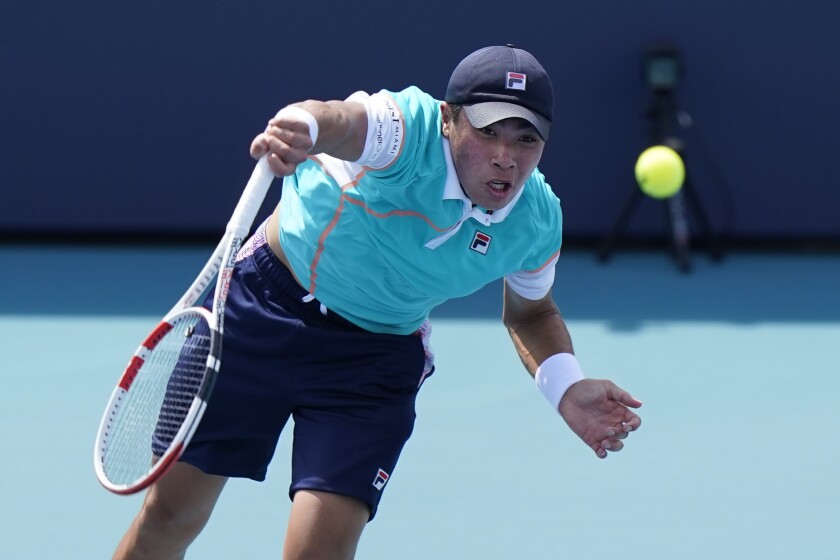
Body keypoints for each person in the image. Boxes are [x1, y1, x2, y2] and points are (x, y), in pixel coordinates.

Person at [114, 44, 642, 559]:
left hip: (372, 365)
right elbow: (341, 120)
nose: (506, 157)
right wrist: (307, 125)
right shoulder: (407, 131)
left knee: (321, 551)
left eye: (526, 139)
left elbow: (532, 312)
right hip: (260, 314)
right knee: (170, 518)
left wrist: (566, 387)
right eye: (488, 131)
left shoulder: (536, 220)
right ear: (448, 120)